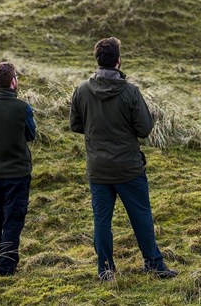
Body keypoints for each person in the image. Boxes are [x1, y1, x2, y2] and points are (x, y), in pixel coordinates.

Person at [69, 37, 177, 282]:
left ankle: (106, 270)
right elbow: (145, 129)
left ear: (98, 60)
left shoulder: (81, 90)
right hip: (129, 168)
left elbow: (75, 125)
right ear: (118, 60)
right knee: (141, 216)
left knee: (102, 221)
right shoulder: (130, 91)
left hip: (98, 169)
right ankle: (154, 264)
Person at [0, 61, 36, 276]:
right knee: (12, 221)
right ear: (13, 81)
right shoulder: (23, 108)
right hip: (18, 174)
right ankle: (6, 267)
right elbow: (31, 135)